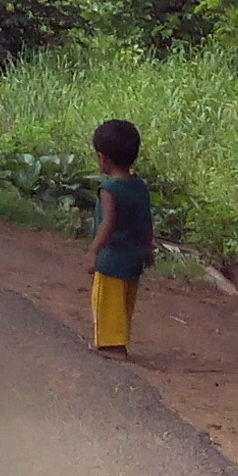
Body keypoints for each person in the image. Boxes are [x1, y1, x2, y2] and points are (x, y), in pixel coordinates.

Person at [87, 119, 151, 359]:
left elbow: (108, 223)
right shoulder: (139, 186)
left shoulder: (109, 189)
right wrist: (148, 248)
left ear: (103, 158)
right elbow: (146, 220)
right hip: (134, 256)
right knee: (124, 302)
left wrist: (94, 250)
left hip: (112, 257)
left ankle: (112, 345)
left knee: (106, 301)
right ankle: (119, 341)